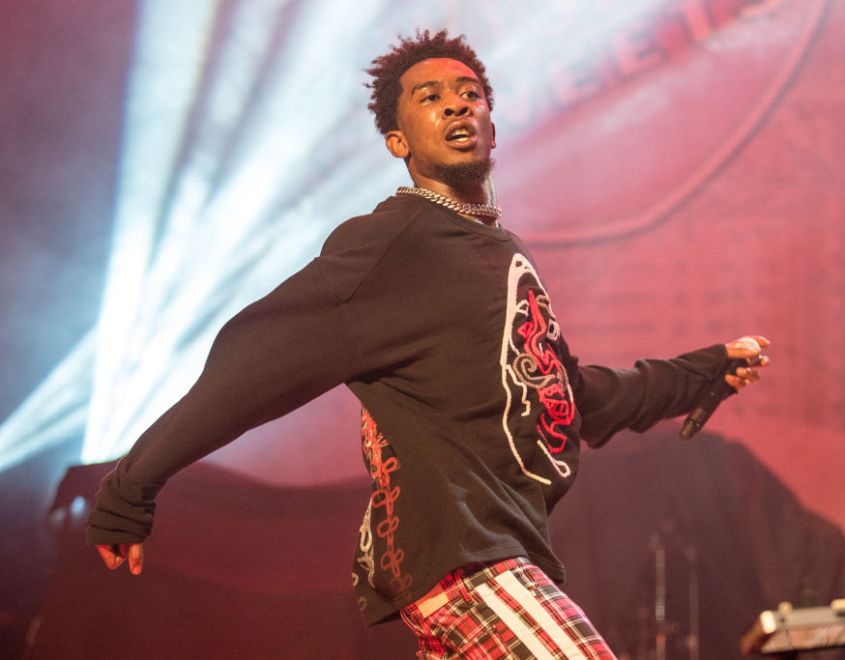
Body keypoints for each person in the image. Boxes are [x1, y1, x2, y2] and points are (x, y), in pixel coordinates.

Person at [87, 29, 770, 659]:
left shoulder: (500, 254)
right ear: (397, 140)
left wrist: (701, 373)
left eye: (470, 94)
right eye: (430, 97)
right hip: (466, 562)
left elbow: (571, 398)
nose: (455, 106)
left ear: (493, 125)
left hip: (495, 560)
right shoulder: (392, 244)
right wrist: (133, 485)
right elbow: (254, 362)